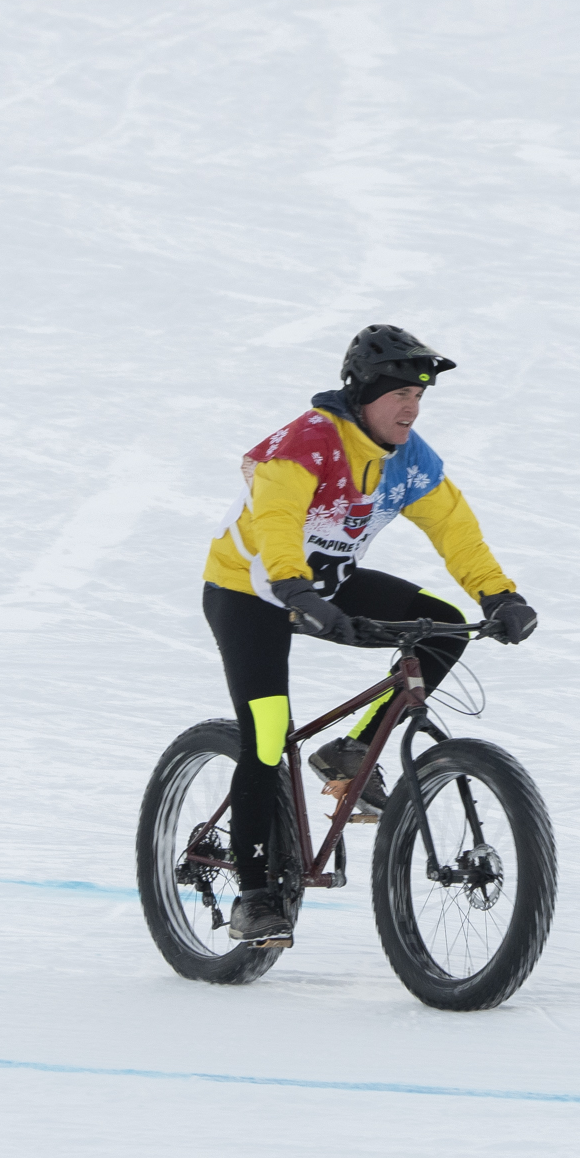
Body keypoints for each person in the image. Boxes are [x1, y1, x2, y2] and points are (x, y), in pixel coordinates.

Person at [201, 325, 539, 944]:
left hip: (325, 583)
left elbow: (455, 529)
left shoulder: (406, 459)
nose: (412, 409)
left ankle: (352, 751)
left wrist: (498, 595)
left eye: (419, 395)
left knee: (443, 629)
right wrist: (297, 592)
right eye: (399, 395)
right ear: (362, 394)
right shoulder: (307, 445)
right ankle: (253, 894)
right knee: (268, 734)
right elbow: (277, 522)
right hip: (249, 591)